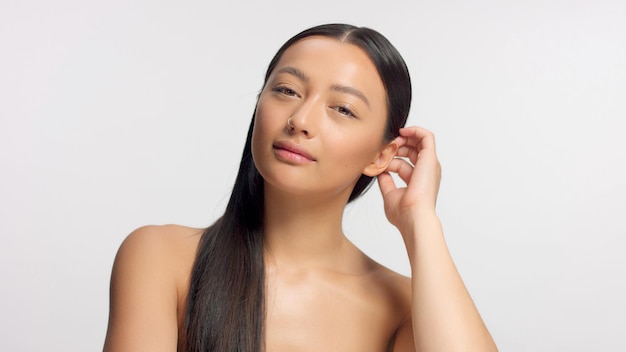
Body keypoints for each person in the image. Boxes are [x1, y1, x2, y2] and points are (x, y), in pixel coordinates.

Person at [103, 23, 497, 352]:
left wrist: (421, 223)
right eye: (287, 90)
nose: (300, 119)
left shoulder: (408, 308)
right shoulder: (161, 258)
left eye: (342, 109)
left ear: (381, 155)